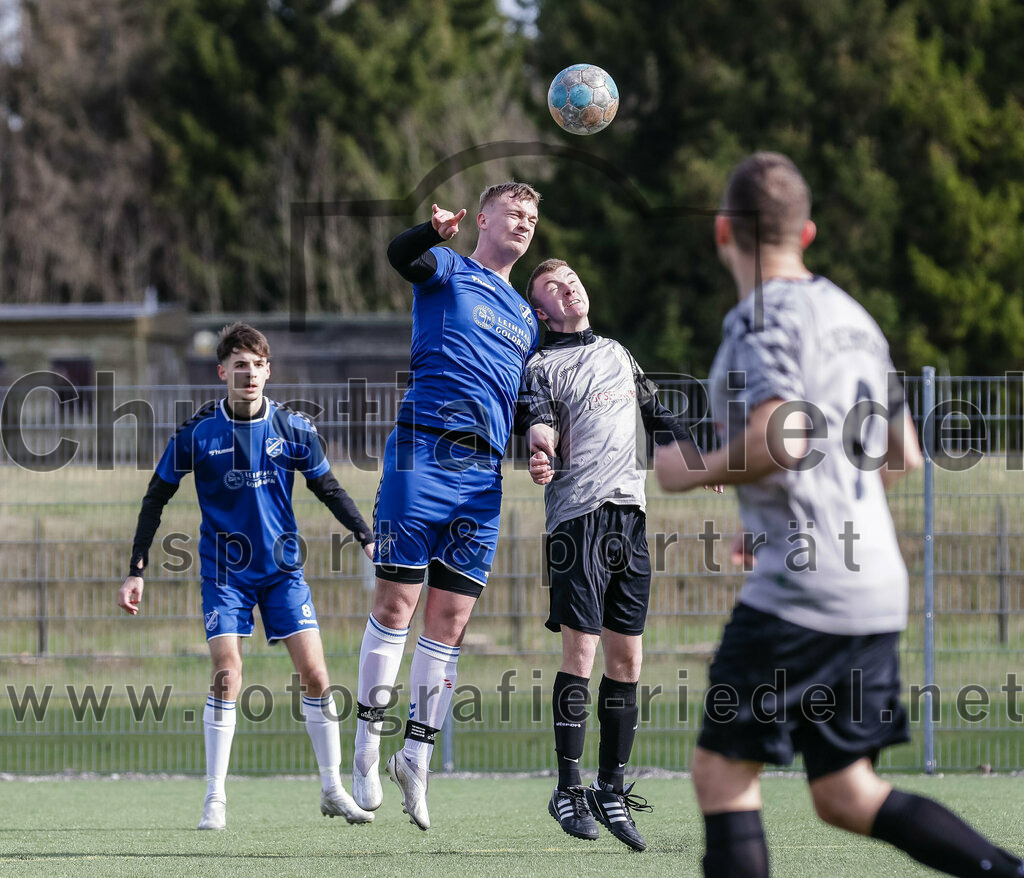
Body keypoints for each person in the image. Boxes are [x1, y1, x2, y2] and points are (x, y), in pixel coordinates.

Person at [655, 152, 1024, 877]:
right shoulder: (852, 315)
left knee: (722, 774)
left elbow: (780, 438)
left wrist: (687, 470)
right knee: (846, 792)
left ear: (723, 231)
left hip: (805, 594)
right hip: (871, 585)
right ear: (809, 233)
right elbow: (903, 455)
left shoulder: (759, 319)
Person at [117, 323, 375, 831]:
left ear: (268, 371)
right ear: (222, 372)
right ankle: (215, 799)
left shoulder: (293, 428)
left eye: (257, 364)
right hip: (225, 574)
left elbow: (328, 488)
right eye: (239, 364)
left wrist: (365, 536)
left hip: (282, 572)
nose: (248, 372)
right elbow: (155, 498)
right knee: (228, 672)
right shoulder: (197, 433)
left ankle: (333, 788)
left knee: (318, 676)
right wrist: (136, 570)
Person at [352, 182, 541, 829]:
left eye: (534, 217)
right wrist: (432, 231)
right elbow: (399, 255)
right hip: (422, 453)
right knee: (396, 603)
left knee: (451, 621)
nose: (525, 222)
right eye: (515, 212)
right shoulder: (447, 267)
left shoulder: (526, 317)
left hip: (482, 474)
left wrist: (539, 442)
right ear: (482, 218)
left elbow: (518, 402)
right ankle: (368, 744)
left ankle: (417, 758)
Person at [516, 259, 696, 851]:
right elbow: (539, 427)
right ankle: (567, 788)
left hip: (630, 518)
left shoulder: (618, 352)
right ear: (542, 311)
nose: (568, 290)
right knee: (582, 652)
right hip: (578, 521)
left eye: (571, 281)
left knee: (628, 662)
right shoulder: (541, 364)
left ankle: (610, 790)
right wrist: (541, 454)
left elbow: (654, 409)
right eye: (553, 288)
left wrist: (696, 457)